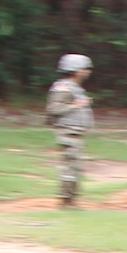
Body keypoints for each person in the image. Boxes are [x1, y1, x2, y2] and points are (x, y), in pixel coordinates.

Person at [46, 53, 94, 209]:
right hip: (68, 132)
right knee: (70, 167)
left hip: (74, 132)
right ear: (76, 70)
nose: (88, 72)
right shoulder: (63, 87)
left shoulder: (74, 88)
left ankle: (71, 200)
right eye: (86, 68)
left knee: (75, 166)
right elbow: (53, 109)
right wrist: (76, 105)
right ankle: (66, 202)